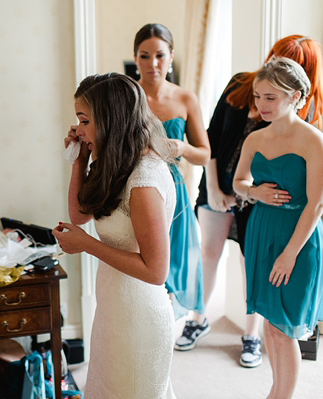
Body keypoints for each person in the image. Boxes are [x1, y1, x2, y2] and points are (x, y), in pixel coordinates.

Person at [177, 35, 323, 368]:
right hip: (225, 184)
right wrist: (216, 188)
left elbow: (311, 191)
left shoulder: (306, 115)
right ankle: (198, 318)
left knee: (251, 262)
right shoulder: (244, 85)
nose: (283, 67)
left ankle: (251, 334)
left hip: (264, 205)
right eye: (280, 58)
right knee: (209, 251)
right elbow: (211, 137)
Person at [53, 73, 177, 398]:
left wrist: (87, 245)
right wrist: (78, 161)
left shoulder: (144, 179)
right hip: (113, 307)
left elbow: (155, 271)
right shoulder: (115, 163)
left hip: (138, 317)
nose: (77, 129)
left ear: (110, 120)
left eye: (84, 120)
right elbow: (79, 214)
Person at [233, 57, 323, 398]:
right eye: (257, 96)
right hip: (261, 231)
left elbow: (316, 204)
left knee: (284, 329)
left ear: (296, 95)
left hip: (297, 239)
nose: (260, 104)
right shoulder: (255, 139)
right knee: (271, 327)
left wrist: (288, 255)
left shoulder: (314, 141)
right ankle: (277, 391)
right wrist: (254, 191)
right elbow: (239, 182)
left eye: (270, 97)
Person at [134, 23, 210, 319]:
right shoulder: (129, 95)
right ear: (135, 57)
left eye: (160, 55)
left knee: (172, 269)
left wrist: (181, 148)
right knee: (144, 269)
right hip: (137, 189)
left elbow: (204, 154)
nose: (153, 64)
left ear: (171, 56)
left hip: (174, 193)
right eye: (144, 56)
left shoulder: (185, 98)